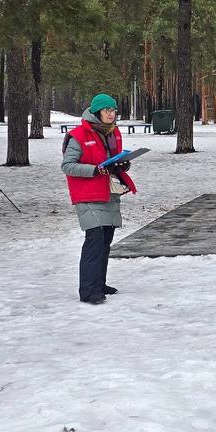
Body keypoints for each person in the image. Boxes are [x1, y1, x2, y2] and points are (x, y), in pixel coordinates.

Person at [62, 93, 137, 305]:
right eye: (107, 110)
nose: (111, 114)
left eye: (113, 110)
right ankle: (88, 291)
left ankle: (99, 284)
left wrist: (122, 165)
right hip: (87, 194)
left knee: (105, 241)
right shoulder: (78, 135)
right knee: (94, 241)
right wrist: (95, 170)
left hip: (108, 193)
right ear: (96, 112)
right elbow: (67, 166)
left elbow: (111, 161)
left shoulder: (113, 133)